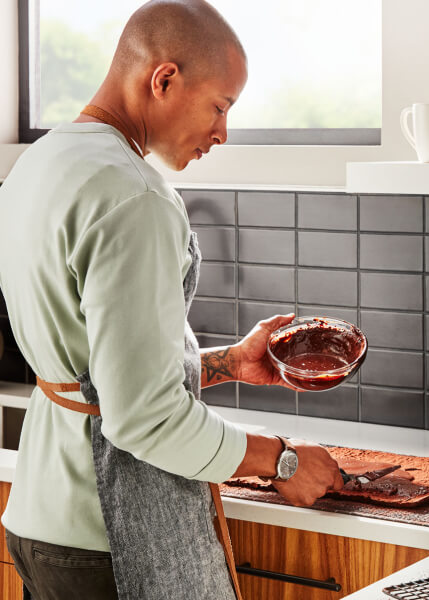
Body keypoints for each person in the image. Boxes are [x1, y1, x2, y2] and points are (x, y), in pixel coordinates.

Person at [0, 1, 343, 598]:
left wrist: (229, 364)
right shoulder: (137, 198)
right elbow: (144, 417)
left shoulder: (42, 162)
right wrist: (282, 459)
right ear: (163, 79)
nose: (222, 132)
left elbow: (95, 373)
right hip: (109, 536)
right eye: (220, 105)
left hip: (40, 523)